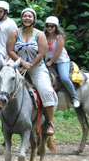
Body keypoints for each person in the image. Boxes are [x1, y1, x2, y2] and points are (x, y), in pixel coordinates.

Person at [6, 8, 57, 136]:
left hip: (37, 68)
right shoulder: (15, 33)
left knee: (46, 90)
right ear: (21, 18)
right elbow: (10, 50)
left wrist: (29, 66)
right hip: (18, 65)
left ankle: (50, 122)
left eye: (30, 16)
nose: (27, 18)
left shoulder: (40, 34)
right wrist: (21, 62)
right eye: (25, 16)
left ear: (34, 19)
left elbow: (41, 53)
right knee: (1, 84)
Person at [43, 16, 80, 108]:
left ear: (56, 27)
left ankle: (74, 96)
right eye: (48, 26)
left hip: (61, 60)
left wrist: (50, 62)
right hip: (47, 60)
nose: (50, 28)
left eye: (52, 26)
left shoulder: (60, 37)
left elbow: (58, 52)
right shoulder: (43, 35)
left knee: (64, 78)